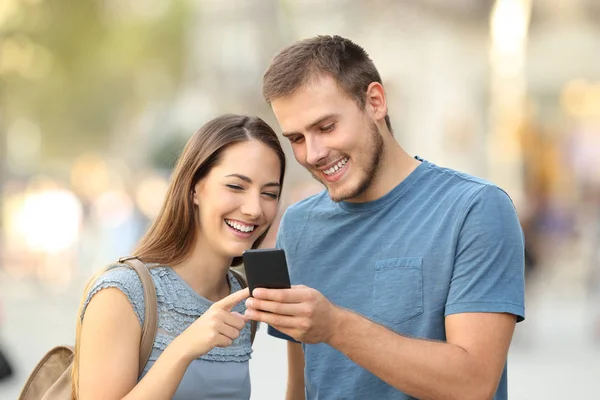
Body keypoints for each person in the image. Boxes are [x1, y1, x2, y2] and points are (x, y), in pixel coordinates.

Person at [244, 35, 525, 400]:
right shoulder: (298, 226)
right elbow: (301, 385)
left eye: (326, 127)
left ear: (375, 102)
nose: (312, 153)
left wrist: (336, 326)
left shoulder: (475, 209)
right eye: (296, 137)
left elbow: (473, 384)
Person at [74, 114, 286, 400]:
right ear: (195, 187)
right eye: (236, 186)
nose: (253, 209)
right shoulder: (122, 292)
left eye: (269, 193)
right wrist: (183, 349)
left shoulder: (240, 299)